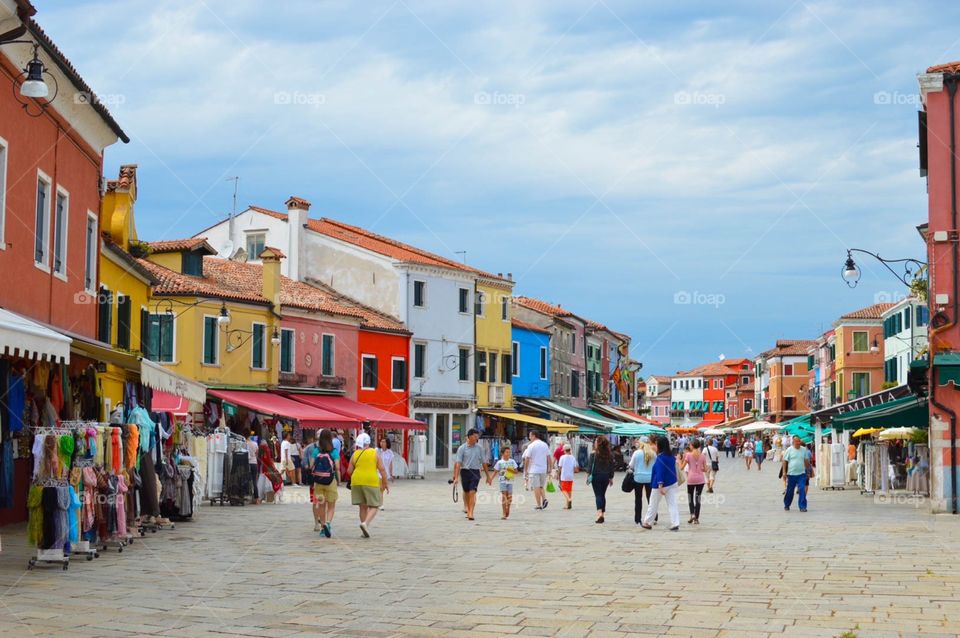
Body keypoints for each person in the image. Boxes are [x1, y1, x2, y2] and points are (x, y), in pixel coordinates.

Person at [348, 435, 388, 537]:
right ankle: (365, 523)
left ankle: (363, 530)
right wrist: (385, 483)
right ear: (368, 442)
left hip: (356, 482)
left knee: (362, 506)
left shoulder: (355, 454)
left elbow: (349, 471)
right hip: (371, 481)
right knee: (375, 505)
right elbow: (382, 469)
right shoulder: (374, 453)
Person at [642, 436, 680, 531]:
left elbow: (660, 472)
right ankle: (675, 522)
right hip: (672, 482)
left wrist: (660, 485)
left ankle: (647, 522)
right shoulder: (671, 456)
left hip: (659, 485)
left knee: (653, 503)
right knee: (672, 504)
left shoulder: (660, 457)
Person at [451, 428, 489, 521]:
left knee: (472, 492)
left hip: (475, 472)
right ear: (469, 436)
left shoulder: (479, 448)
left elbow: (484, 462)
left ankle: (471, 512)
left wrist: (488, 476)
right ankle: (467, 508)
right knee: (467, 492)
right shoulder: (462, 448)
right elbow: (458, 463)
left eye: (477, 436)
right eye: (475, 436)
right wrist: (455, 477)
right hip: (464, 472)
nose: (477, 438)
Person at [311, 429, 339, 537]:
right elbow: (336, 467)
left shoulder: (316, 450)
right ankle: (328, 523)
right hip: (331, 481)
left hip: (318, 481)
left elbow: (311, 465)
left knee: (321, 505)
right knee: (331, 506)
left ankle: (322, 527)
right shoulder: (334, 451)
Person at [628, 436, 656, 525]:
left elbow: (631, 465)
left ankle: (637, 518)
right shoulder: (653, 453)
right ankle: (654, 517)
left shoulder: (637, 453)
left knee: (638, 499)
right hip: (650, 478)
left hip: (638, 478)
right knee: (650, 498)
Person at [587, 437, 615, 524]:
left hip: (596, 476)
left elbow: (590, 467)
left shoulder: (594, 454)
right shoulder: (609, 454)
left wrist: (588, 477)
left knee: (598, 495)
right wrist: (611, 477)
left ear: (598, 444)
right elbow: (611, 467)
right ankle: (602, 514)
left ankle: (599, 514)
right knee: (603, 495)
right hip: (606, 477)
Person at [522, 430, 552, 510]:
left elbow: (527, 459)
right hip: (543, 469)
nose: (529, 438)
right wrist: (550, 468)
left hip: (534, 470)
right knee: (541, 486)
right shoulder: (545, 444)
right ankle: (544, 499)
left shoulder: (531, 446)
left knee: (536, 487)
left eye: (530, 436)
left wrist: (525, 471)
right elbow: (549, 457)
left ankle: (539, 505)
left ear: (534, 436)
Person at [681, 439, 708, 525]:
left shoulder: (688, 455)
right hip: (700, 479)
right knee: (698, 498)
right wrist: (699, 468)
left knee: (690, 497)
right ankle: (696, 518)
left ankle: (692, 514)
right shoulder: (703, 455)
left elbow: (682, 467)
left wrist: (678, 460)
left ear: (692, 445)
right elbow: (705, 469)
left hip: (691, 478)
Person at [783, 435, 812, 512]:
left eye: (799, 441)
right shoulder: (789, 450)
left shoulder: (804, 450)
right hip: (791, 474)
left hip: (801, 474)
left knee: (802, 489)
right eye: (797, 441)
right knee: (790, 491)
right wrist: (784, 472)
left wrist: (808, 472)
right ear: (793, 442)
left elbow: (806, 461)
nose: (798, 443)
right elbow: (784, 461)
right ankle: (787, 504)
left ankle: (802, 507)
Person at [489, 447, 519, 519]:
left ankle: (508, 508)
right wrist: (490, 479)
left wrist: (510, 471)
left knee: (510, 497)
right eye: (507, 452)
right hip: (502, 481)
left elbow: (516, 471)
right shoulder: (499, 462)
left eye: (509, 452)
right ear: (502, 453)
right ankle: (503, 512)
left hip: (510, 481)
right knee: (504, 496)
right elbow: (495, 471)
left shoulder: (512, 461)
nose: (508, 453)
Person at [556, 443, 579, 509]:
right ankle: (567, 505)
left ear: (564, 450)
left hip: (564, 476)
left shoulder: (562, 457)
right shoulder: (573, 457)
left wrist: (558, 475)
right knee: (569, 490)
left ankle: (569, 499)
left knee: (563, 489)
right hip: (571, 476)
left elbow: (560, 467)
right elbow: (575, 468)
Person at [377, 438, 395, 507]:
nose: (382, 443)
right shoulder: (377, 451)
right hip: (378, 472)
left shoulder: (390, 452)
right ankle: (380, 504)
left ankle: (379, 502)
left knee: (382, 489)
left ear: (387, 443)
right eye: (381, 441)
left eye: (384, 442)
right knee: (380, 488)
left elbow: (390, 464)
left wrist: (391, 474)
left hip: (386, 473)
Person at [246, 433, 260, 504]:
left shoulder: (245, 443)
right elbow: (257, 453)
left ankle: (249, 497)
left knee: (247, 481)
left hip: (247, 464)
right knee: (254, 481)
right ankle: (256, 499)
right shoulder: (255, 443)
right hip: (254, 463)